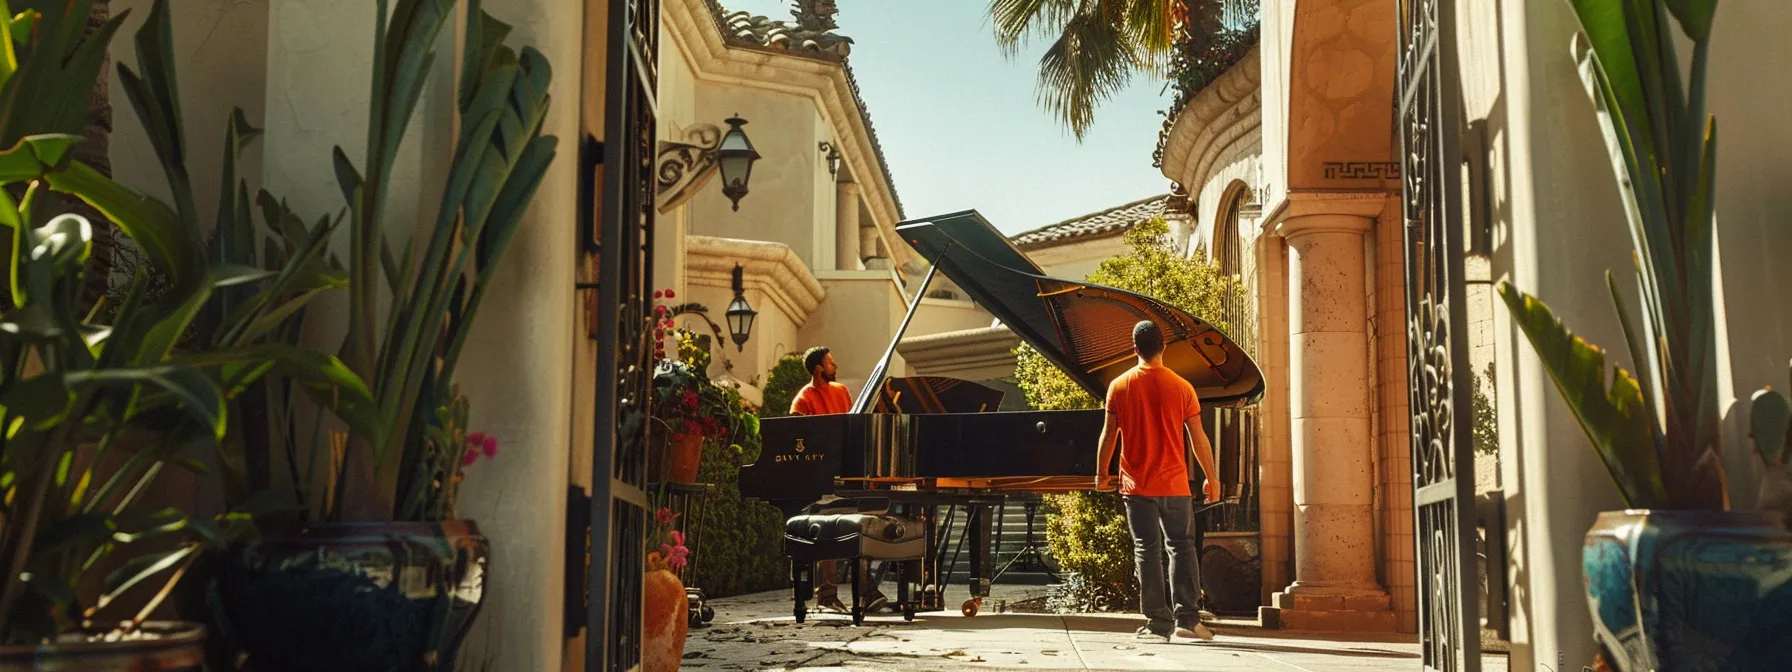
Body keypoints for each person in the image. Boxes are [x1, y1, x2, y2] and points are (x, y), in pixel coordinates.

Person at [1095, 320, 1219, 642]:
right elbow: (1199, 438)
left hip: (1136, 486)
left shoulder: (1118, 386)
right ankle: (1187, 621)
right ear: (1163, 347)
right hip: (1175, 485)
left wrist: (1101, 473)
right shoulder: (1182, 386)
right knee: (1181, 548)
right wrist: (1212, 477)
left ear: (1134, 348)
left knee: (1146, 550)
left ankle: (1157, 625)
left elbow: (1109, 435)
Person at [789, 346, 892, 614]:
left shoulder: (841, 391)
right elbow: (798, 440)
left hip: (847, 471)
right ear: (819, 369)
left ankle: (864, 591)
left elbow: (851, 428)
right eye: (831, 363)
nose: (836, 366)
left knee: (860, 526)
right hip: (820, 475)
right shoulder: (803, 399)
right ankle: (829, 594)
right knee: (832, 528)